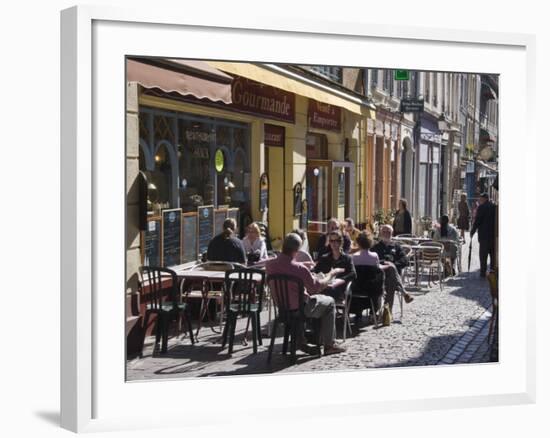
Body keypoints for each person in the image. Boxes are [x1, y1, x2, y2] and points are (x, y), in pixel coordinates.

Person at [265, 233, 346, 356]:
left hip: (282, 308)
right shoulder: (299, 269)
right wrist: (331, 274)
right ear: (297, 250)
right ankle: (329, 344)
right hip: (301, 308)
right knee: (329, 302)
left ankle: (301, 340)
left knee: (305, 300)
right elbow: (315, 288)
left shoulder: (270, 265)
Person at [372, 225, 414, 313]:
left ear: (392, 234)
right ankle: (403, 293)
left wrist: (393, 265)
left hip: (392, 277)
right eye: (384, 232)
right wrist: (383, 263)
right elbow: (372, 261)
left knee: (391, 277)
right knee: (390, 274)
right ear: (380, 233)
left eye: (389, 232)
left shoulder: (396, 247)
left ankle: (386, 312)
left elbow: (405, 260)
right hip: (379, 276)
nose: (386, 234)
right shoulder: (375, 247)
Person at [350, 231, 385, 324]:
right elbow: (377, 269)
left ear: (358, 243)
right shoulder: (375, 256)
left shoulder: (354, 257)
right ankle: (372, 313)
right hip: (371, 289)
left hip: (357, 288)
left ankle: (358, 314)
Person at [312, 230, 356, 301]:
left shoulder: (347, 258)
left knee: (327, 291)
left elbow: (353, 274)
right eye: (331, 241)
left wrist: (341, 279)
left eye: (336, 241)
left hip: (338, 289)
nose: (334, 243)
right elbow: (315, 269)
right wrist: (313, 273)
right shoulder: (325, 257)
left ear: (341, 242)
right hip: (324, 286)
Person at [470, 193, 497, 278]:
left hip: (484, 236)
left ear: (485, 199)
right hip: (493, 236)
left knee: (483, 255)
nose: (479, 201)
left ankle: (483, 272)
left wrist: (473, 231)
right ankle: (493, 272)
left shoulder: (481, 207)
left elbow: (478, 220)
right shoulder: (494, 207)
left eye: (480, 199)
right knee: (493, 255)